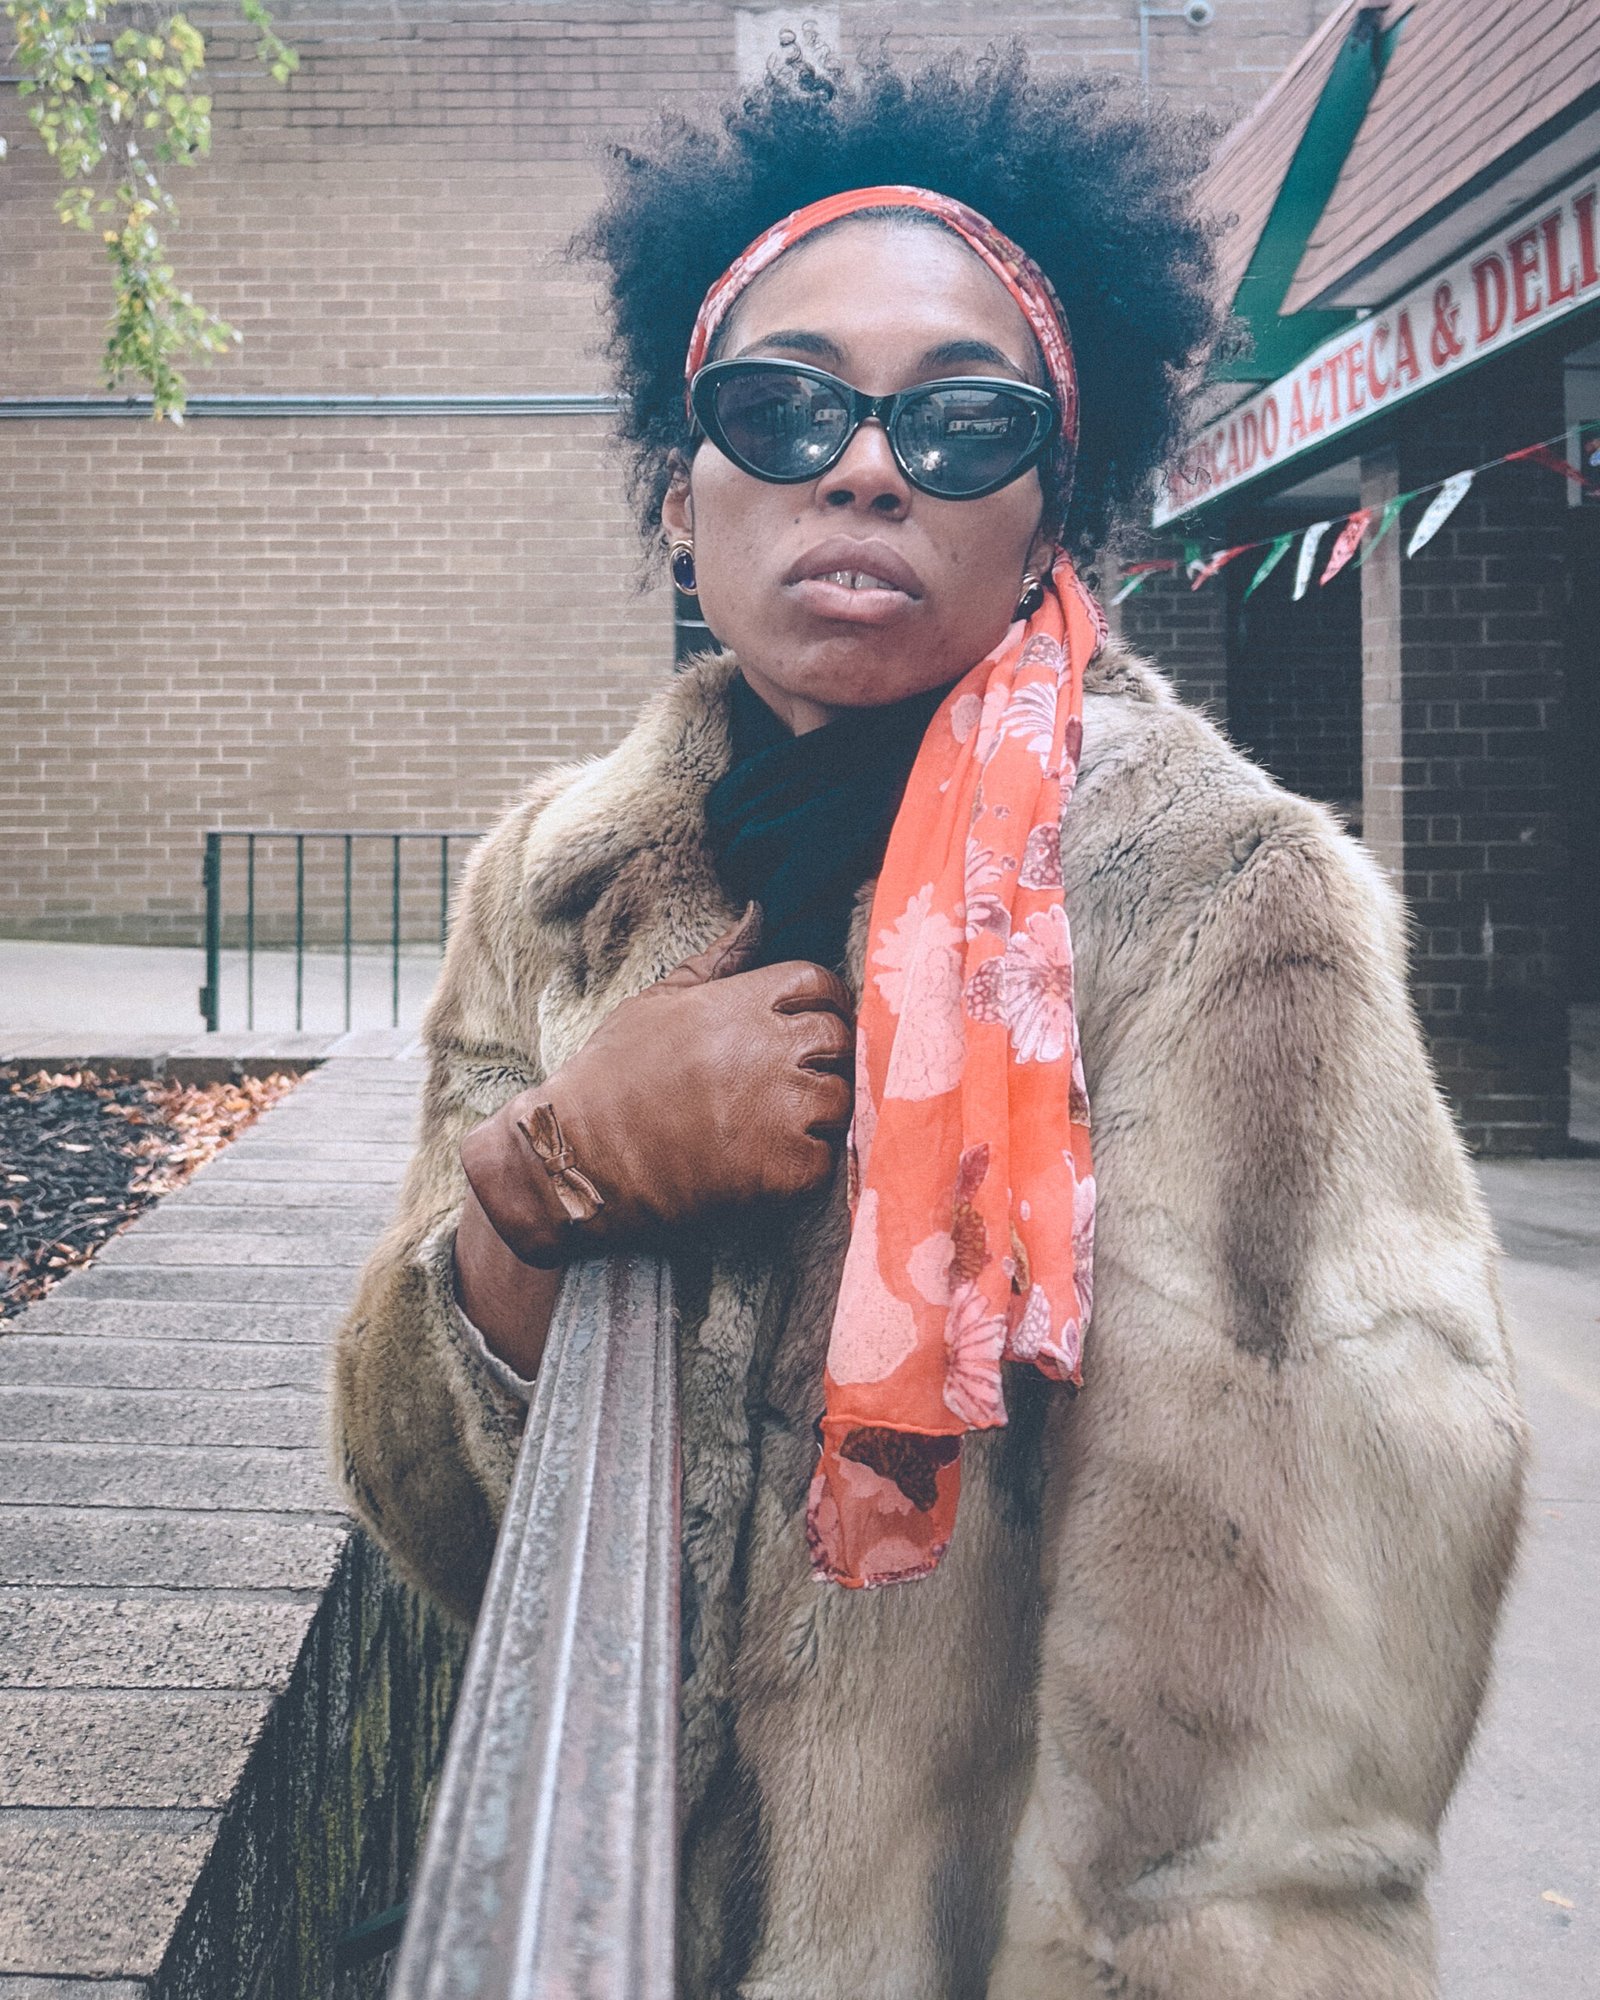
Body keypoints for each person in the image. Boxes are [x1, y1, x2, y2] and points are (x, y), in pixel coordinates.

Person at [332, 45, 1525, 2000]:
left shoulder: (1213, 904)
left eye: (961, 422)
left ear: (1051, 505)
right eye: (781, 406)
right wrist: (537, 1183)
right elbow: (442, 1526)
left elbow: (1281, 1742)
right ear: (674, 488)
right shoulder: (557, 875)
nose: (865, 465)